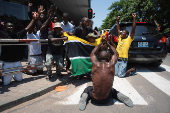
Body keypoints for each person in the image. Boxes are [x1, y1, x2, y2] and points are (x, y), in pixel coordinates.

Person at [78, 38, 133, 111]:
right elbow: (116, 54)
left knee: (88, 89)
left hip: (95, 100)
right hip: (107, 99)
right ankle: (119, 95)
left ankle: (84, 98)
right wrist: (109, 44)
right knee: (112, 90)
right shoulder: (111, 64)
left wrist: (101, 43)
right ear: (109, 57)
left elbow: (92, 53)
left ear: (99, 57)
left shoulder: (95, 64)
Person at [0, 12, 39, 85]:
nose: (11, 27)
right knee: (6, 83)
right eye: (9, 26)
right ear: (5, 28)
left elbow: (27, 28)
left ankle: (14, 75)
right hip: (7, 63)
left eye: (12, 26)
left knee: (19, 80)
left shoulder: (18, 34)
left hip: (17, 62)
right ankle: (3, 76)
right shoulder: (3, 35)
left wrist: (34, 19)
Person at [26, 9, 53, 75]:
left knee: (41, 72)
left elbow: (43, 26)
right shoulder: (29, 34)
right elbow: (31, 27)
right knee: (33, 73)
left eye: (36, 28)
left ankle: (34, 68)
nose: (35, 28)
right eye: (33, 28)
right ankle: (26, 69)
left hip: (39, 56)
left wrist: (49, 17)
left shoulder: (38, 33)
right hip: (33, 56)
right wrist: (35, 19)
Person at [115, 13, 136, 78]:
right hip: (117, 59)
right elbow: (118, 29)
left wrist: (134, 18)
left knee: (120, 75)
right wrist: (117, 21)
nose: (121, 33)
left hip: (123, 60)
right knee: (115, 74)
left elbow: (133, 29)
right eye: (122, 32)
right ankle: (123, 69)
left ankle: (131, 69)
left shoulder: (129, 39)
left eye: (123, 32)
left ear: (126, 35)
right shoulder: (120, 38)